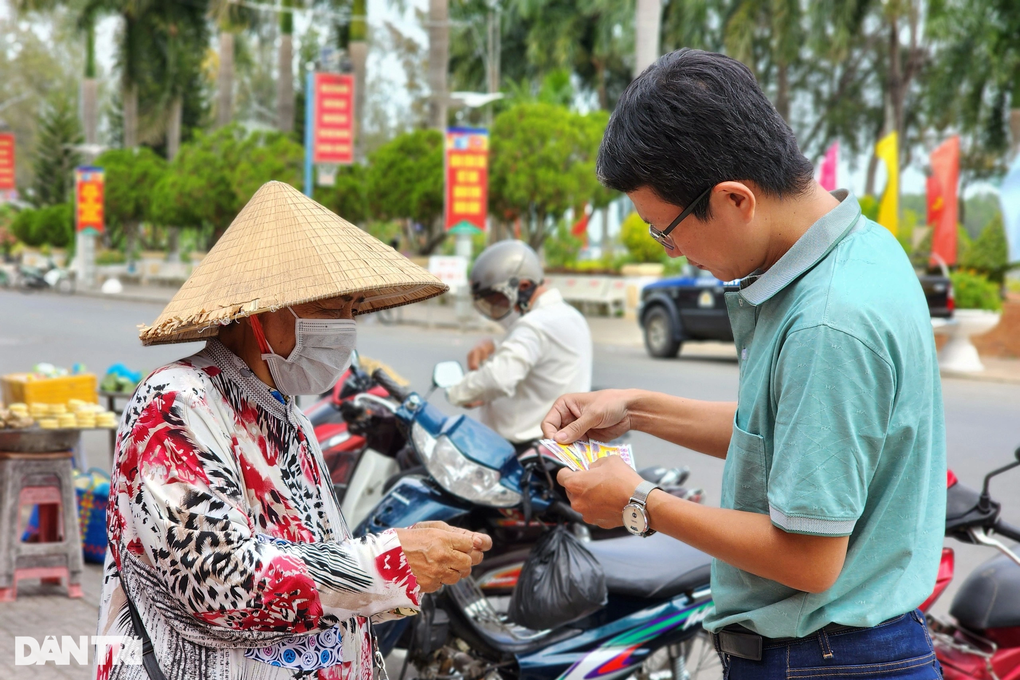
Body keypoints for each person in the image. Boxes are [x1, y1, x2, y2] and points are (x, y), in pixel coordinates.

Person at [542, 50, 945, 679]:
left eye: (664, 231)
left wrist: (640, 503)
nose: (673, 252)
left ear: (734, 198)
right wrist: (635, 410)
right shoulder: (865, 249)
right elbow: (799, 435)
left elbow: (809, 560)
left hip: (824, 663)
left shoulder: (827, 323)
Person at [95, 181, 492, 680]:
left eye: (351, 309)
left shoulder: (288, 415)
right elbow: (220, 581)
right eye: (328, 309)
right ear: (259, 309)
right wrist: (387, 562)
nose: (344, 327)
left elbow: (312, 563)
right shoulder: (177, 403)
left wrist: (404, 564)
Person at [446, 240, 592, 447]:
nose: (499, 308)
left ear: (523, 286)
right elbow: (542, 357)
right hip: (560, 444)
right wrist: (494, 346)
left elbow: (497, 379)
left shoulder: (534, 325)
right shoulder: (572, 316)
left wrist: (456, 392)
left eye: (500, 300)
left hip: (523, 449)